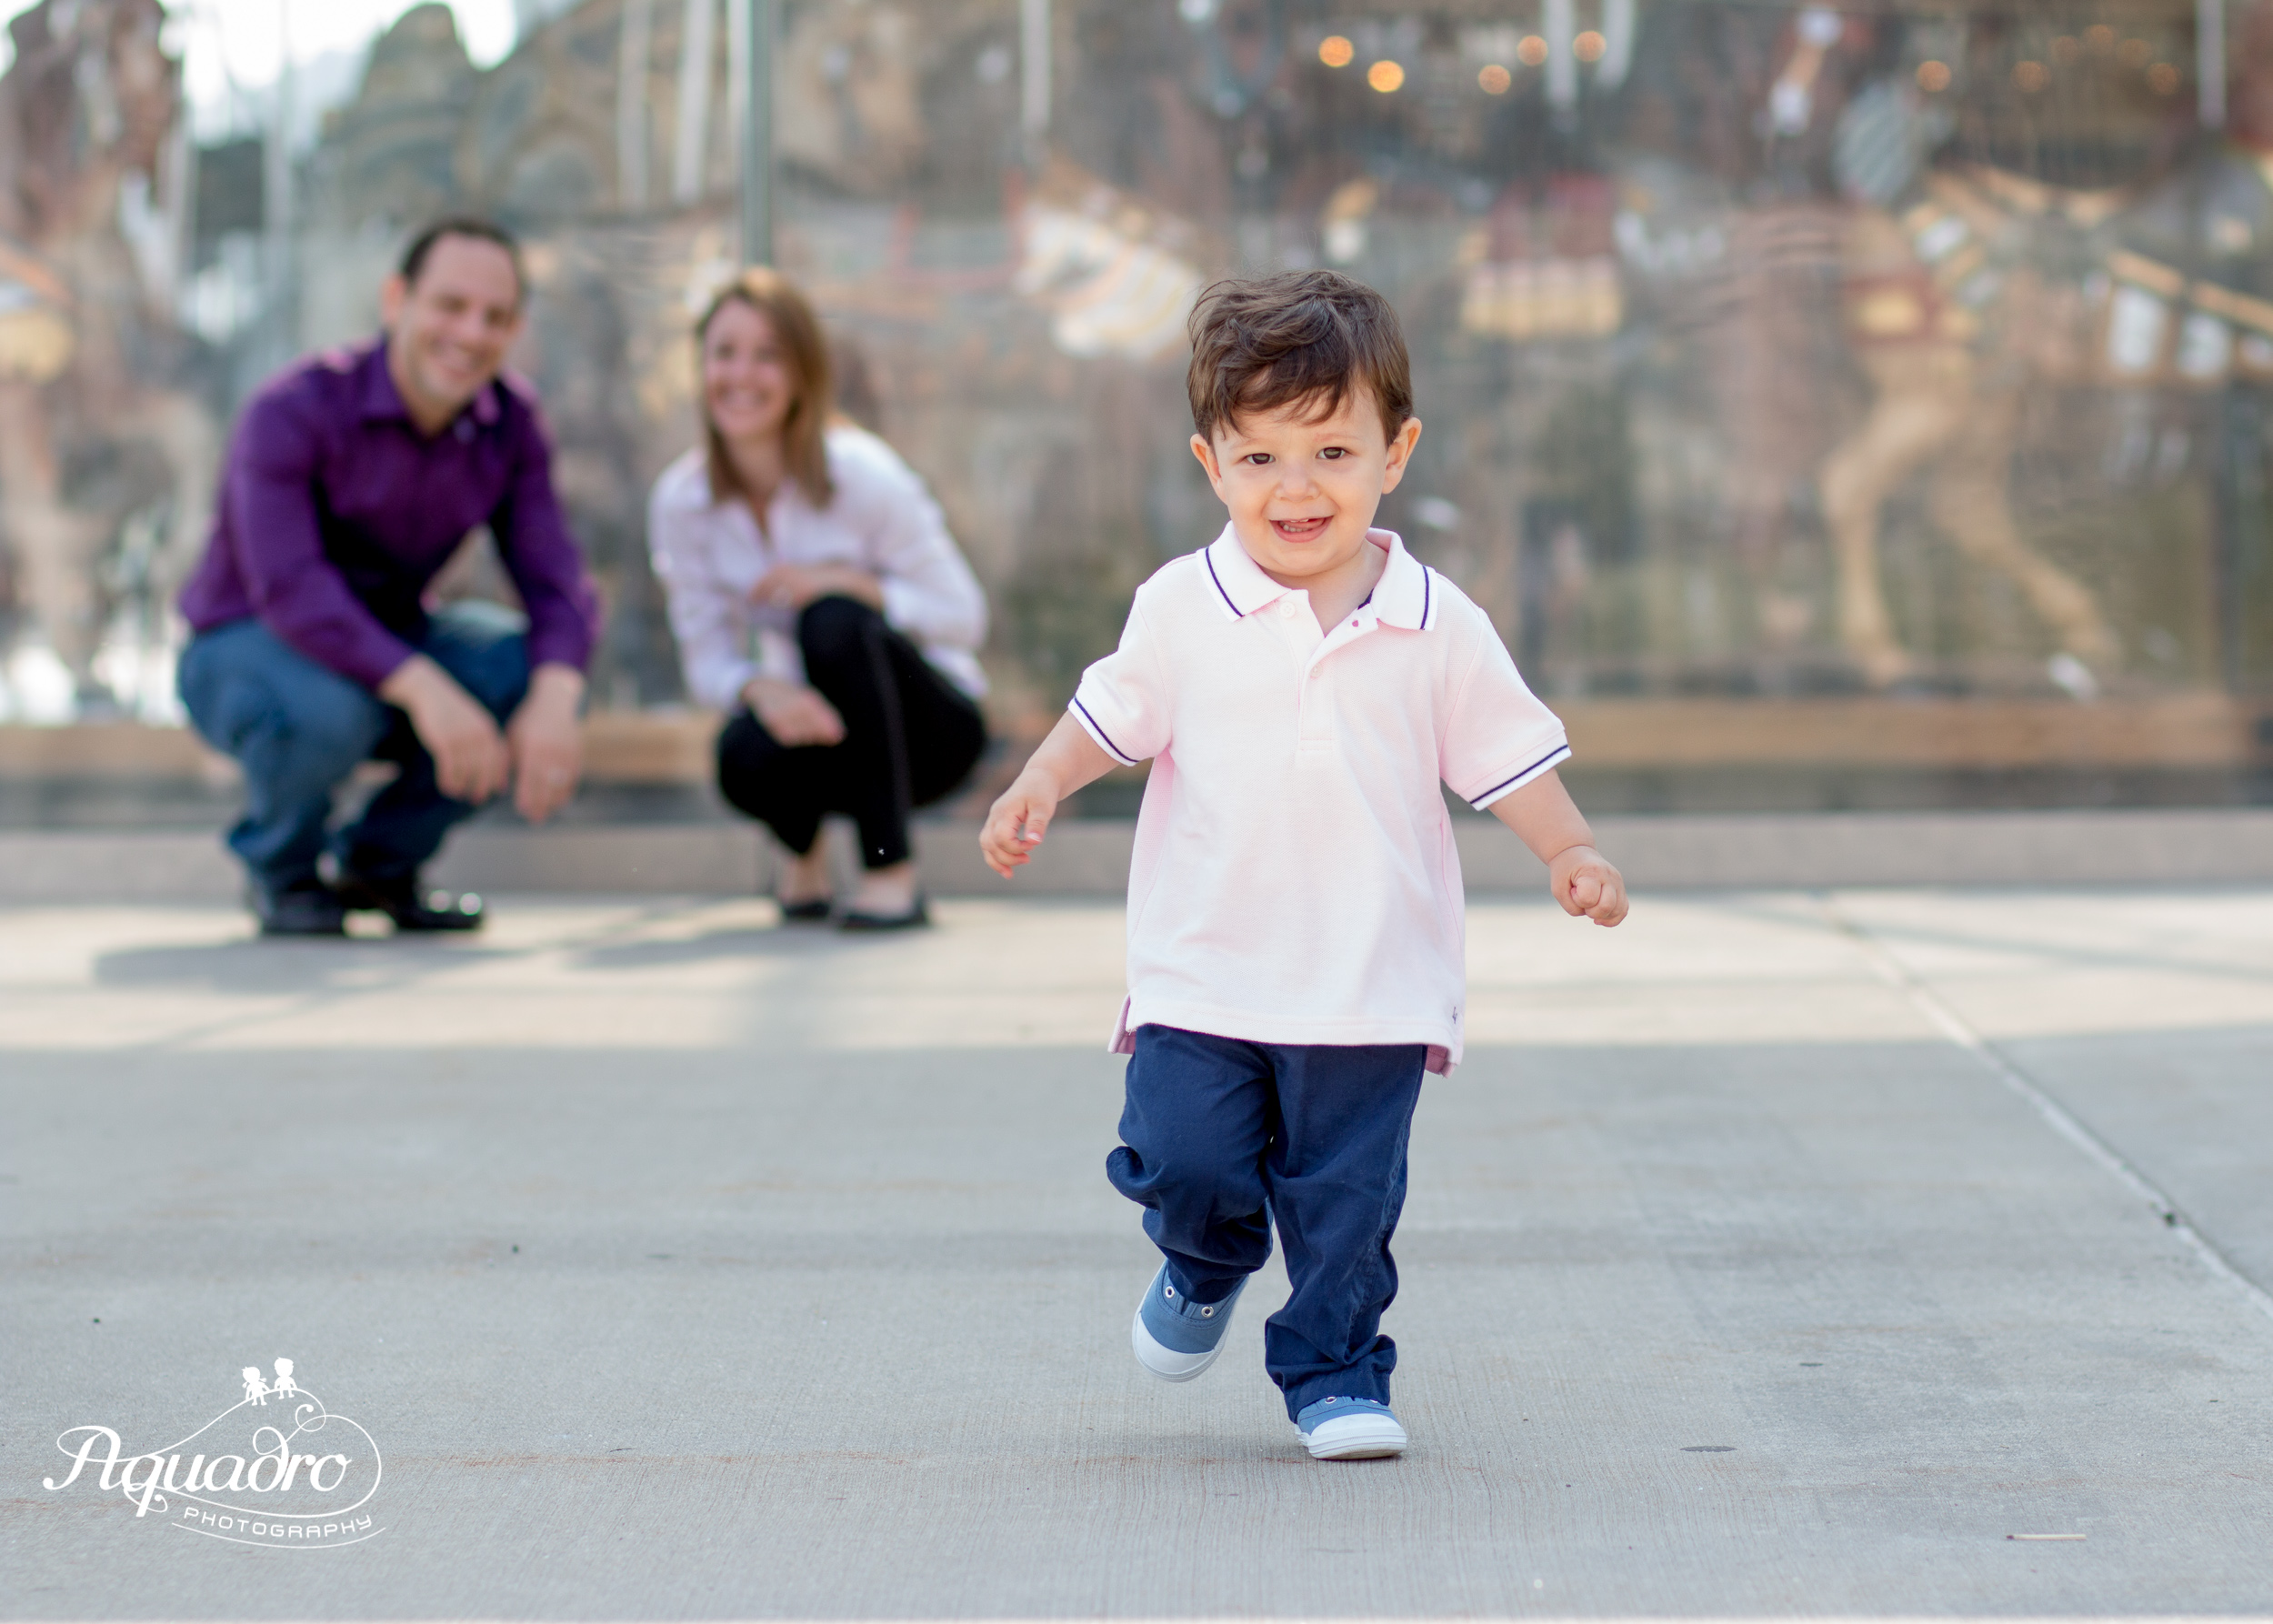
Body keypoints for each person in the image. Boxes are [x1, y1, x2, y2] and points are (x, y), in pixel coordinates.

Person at [979, 271, 1628, 1462]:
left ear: (1397, 450)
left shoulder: (1437, 621)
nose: (1297, 487)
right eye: (1261, 457)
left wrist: (1569, 846)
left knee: (1345, 1212)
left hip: (1370, 981)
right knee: (1184, 1154)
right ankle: (1206, 1254)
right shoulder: (1183, 606)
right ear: (1210, 462)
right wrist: (1037, 783)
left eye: (1332, 450)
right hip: (1205, 973)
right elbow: (1107, 716)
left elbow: (1504, 754)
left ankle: (1335, 1371)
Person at [176, 217, 597, 937]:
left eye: (494, 317)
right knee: (330, 710)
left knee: (526, 670)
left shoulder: (512, 421)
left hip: (388, 638)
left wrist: (558, 701)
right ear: (396, 298)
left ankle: (380, 867)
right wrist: (427, 689)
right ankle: (285, 874)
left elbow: (555, 577)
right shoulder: (292, 409)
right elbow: (291, 590)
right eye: (449, 305)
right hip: (247, 647)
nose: (470, 333)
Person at [647, 269, 987, 928]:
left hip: (930, 733)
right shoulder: (681, 503)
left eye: (767, 355)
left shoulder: (863, 474)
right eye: (724, 353)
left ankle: (891, 872)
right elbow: (707, 657)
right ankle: (800, 858)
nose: (741, 374)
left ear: (803, 373)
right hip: (824, 730)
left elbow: (964, 616)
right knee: (741, 754)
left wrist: (848, 584)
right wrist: (758, 690)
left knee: (830, 621)